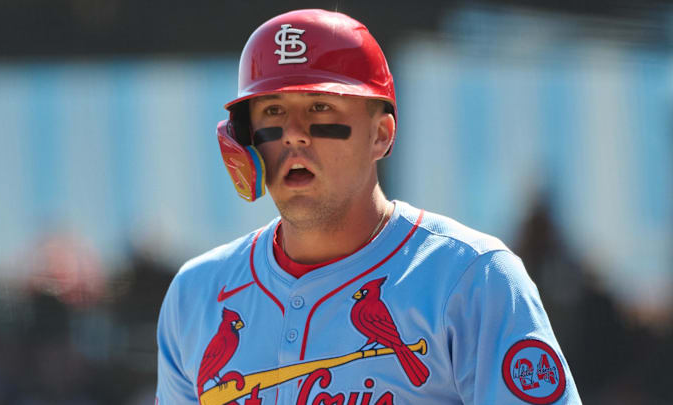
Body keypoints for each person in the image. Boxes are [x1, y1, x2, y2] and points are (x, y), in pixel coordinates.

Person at [156, 9, 581, 405]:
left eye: (320, 107)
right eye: (273, 110)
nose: (294, 135)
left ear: (381, 134)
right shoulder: (197, 294)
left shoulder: (473, 276)